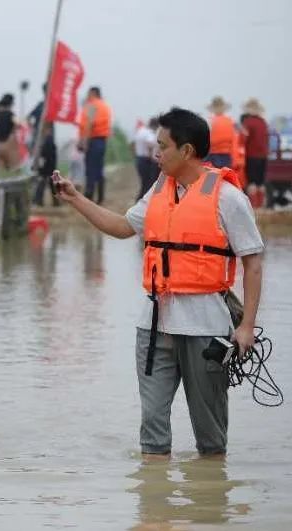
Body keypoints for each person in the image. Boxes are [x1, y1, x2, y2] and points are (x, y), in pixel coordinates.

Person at [55, 107, 264, 458]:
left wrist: (246, 327)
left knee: (211, 441)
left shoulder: (228, 198)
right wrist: (76, 198)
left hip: (205, 328)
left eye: (163, 146)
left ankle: (210, 504)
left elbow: (254, 263)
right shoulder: (159, 191)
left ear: (187, 151)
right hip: (154, 326)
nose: (155, 153)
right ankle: (154, 507)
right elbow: (122, 227)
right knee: (152, 432)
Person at [78, 86, 113, 204]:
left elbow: (89, 124)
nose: (87, 96)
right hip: (102, 141)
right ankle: (101, 196)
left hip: (93, 140)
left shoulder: (92, 105)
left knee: (91, 169)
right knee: (99, 168)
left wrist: (85, 142)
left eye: (88, 93)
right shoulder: (104, 106)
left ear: (93, 93)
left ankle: (89, 196)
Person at [241, 98, 269, 208]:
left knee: (252, 182)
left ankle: (254, 207)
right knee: (261, 183)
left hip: (251, 156)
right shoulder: (263, 122)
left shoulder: (247, 122)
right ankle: (261, 205)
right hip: (263, 156)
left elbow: (243, 139)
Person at [0, 93, 23, 170]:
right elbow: (18, 124)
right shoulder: (10, 114)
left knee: (0, 172)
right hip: (9, 146)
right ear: (11, 104)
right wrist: (13, 132)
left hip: (0, 146)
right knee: (15, 170)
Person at [131, 117, 159, 200]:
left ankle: (140, 201)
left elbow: (132, 144)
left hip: (139, 159)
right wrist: (152, 156)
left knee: (144, 183)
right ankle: (141, 202)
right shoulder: (149, 132)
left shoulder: (140, 131)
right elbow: (150, 144)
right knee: (148, 184)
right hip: (146, 160)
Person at [206, 96, 235, 169]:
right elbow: (234, 140)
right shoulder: (230, 121)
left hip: (213, 154)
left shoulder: (209, 121)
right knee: (225, 178)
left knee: (211, 178)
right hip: (227, 155)